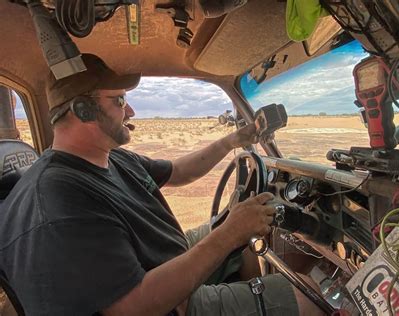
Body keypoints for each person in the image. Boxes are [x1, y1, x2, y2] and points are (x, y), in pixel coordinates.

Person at [0, 54, 324, 316]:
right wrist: (228, 235)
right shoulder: (62, 200)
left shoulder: (112, 158)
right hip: (166, 301)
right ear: (83, 110)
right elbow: (135, 306)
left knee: (237, 225)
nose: (131, 110)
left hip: (164, 256)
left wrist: (233, 140)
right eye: (119, 101)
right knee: (306, 300)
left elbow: (181, 172)